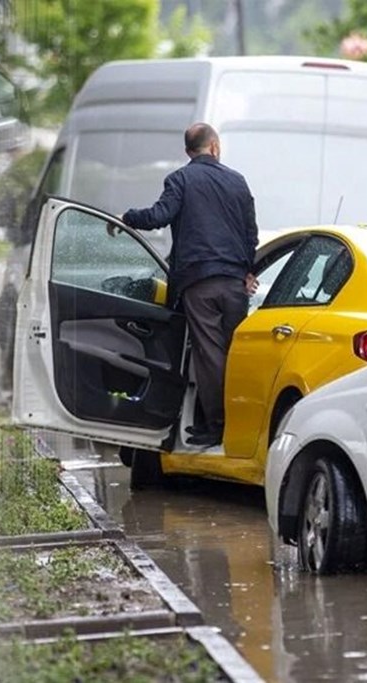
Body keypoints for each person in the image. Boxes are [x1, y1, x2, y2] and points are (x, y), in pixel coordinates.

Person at [120, 122, 258, 447]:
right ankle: (243, 422)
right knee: (235, 353)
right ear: (215, 146)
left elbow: (159, 215)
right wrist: (249, 271)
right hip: (236, 285)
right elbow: (250, 232)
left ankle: (217, 426)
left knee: (210, 356)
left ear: (188, 152)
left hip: (200, 284)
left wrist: (128, 218)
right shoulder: (238, 181)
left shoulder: (180, 179)